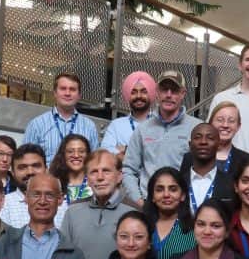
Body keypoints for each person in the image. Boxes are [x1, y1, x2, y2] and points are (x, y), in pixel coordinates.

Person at [123, 71, 199, 207]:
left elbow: (204, 171)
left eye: (174, 90)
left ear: (183, 93)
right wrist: (140, 202)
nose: (169, 95)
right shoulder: (142, 129)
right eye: (164, 89)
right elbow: (128, 169)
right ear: (157, 92)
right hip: (149, 205)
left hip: (182, 207)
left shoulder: (196, 128)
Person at [23, 71, 99, 167]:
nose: (67, 93)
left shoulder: (89, 126)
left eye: (72, 89)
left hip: (80, 181)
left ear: (79, 95)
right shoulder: (37, 124)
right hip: (48, 180)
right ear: (55, 93)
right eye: (63, 89)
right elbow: (25, 160)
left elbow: (94, 162)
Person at [143, 167, 196, 259]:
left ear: (183, 196)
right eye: (159, 189)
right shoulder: (141, 225)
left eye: (173, 189)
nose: (166, 195)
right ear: (152, 196)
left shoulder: (194, 230)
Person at [180, 123, 238, 214]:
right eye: (197, 137)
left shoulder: (231, 184)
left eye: (210, 138)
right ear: (190, 145)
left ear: (218, 144)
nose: (203, 142)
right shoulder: (178, 183)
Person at [101, 70, 156, 159]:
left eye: (143, 91)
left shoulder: (159, 123)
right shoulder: (116, 125)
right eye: (133, 92)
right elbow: (105, 153)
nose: (139, 96)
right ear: (128, 96)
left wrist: (126, 149)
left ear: (151, 94)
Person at [0, 144, 47, 228]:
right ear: (13, 173)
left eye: (36, 166)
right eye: (22, 167)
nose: (30, 172)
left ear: (46, 169)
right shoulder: (3, 205)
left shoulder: (61, 205)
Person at [50, 133, 93, 227]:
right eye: (70, 151)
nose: (76, 155)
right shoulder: (54, 184)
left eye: (81, 151)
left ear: (88, 155)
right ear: (63, 155)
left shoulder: (95, 184)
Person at [209, 101, 249, 173]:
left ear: (238, 126)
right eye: (220, 120)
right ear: (210, 123)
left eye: (231, 121)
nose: (225, 125)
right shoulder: (192, 158)